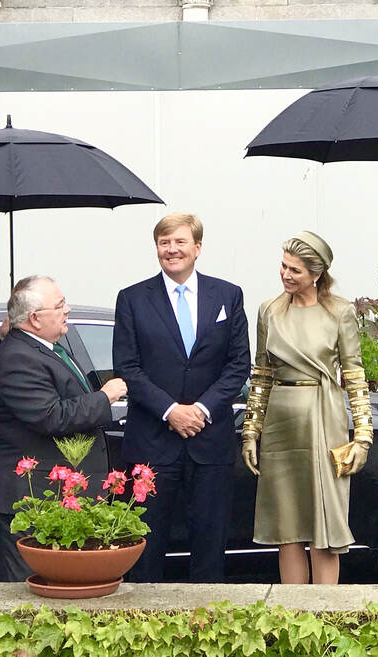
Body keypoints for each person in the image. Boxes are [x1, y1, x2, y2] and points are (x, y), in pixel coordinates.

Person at [113, 212, 250, 582]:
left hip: (210, 444)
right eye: (164, 243)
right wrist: (171, 410)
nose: (171, 250)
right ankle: (143, 616)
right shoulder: (132, 299)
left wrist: (201, 409)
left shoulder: (228, 295)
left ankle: (207, 615)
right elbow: (128, 367)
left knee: (210, 547)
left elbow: (239, 364)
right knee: (145, 549)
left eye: (179, 242)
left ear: (197, 248)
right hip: (152, 443)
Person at [241, 231, 372, 585]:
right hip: (280, 423)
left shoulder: (340, 312)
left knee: (323, 524)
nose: (285, 274)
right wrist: (251, 431)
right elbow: (262, 374)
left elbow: (354, 375)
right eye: (283, 266)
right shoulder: (269, 310)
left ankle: (325, 611)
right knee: (287, 527)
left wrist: (363, 436)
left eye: (295, 270)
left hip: (324, 419)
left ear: (316, 274)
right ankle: (292, 611)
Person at [0, 275, 128, 581]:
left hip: (57, 496)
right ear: (35, 318)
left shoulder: (49, 347)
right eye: (59, 305)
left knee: (62, 585)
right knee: (28, 588)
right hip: (31, 498)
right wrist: (105, 397)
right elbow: (51, 416)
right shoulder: (18, 357)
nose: (67, 310)